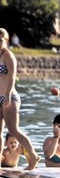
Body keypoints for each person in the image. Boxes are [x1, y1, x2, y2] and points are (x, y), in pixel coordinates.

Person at [0, 28, 40, 170]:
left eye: (1, 40)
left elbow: (11, 77)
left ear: (6, 41)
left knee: (14, 130)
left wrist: (8, 96)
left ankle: (33, 156)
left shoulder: (8, 55)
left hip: (10, 97)